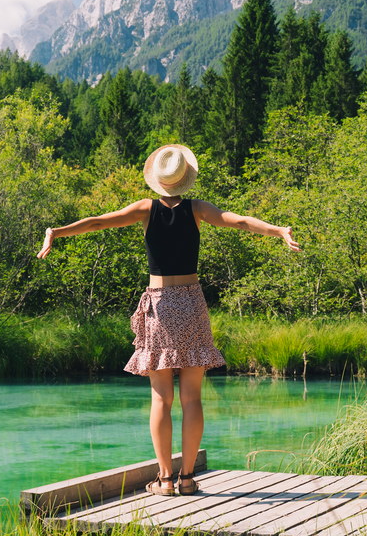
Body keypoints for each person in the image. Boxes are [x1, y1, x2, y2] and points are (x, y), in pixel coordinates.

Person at [37, 144, 302, 496]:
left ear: (158, 180)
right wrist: (277, 230)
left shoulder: (145, 209)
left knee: (161, 398)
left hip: (160, 305)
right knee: (192, 397)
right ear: (185, 179)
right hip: (191, 302)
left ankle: (164, 480)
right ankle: (188, 478)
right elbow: (238, 221)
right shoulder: (198, 210)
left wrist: (58, 231)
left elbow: (100, 221)